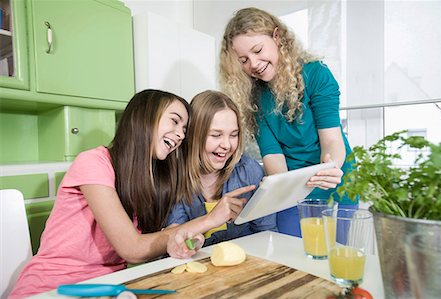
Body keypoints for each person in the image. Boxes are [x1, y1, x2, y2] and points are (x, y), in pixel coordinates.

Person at [9, 89, 206, 299]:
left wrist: (176, 238)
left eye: (184, 129)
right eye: (174, 121)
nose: (181, 135)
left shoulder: (148, 181)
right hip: (52, 288)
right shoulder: (93, 162)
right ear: (143, 118)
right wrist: (210, 219)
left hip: (108, 287)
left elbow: (150, 242)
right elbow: (132, 248)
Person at [219, 7, 357, 237]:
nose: (253, 63)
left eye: (257, 50)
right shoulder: (255, 99)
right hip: (293, 191)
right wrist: (279, 188)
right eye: (243, 60)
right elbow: (273, 158)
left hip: (334, 183)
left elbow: (332, 139)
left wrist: (330, 167)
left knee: (331, 261)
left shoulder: (316, 74)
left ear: (278, 37)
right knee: (291, 255)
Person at [166, 90, 277, 246]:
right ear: (193, 136)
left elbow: (268, 235)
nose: (226, 145)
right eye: (216, 135)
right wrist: (190, 243)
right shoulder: (174, 177)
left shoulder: (248, 172)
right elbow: (175, 235)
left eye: (233, 135)